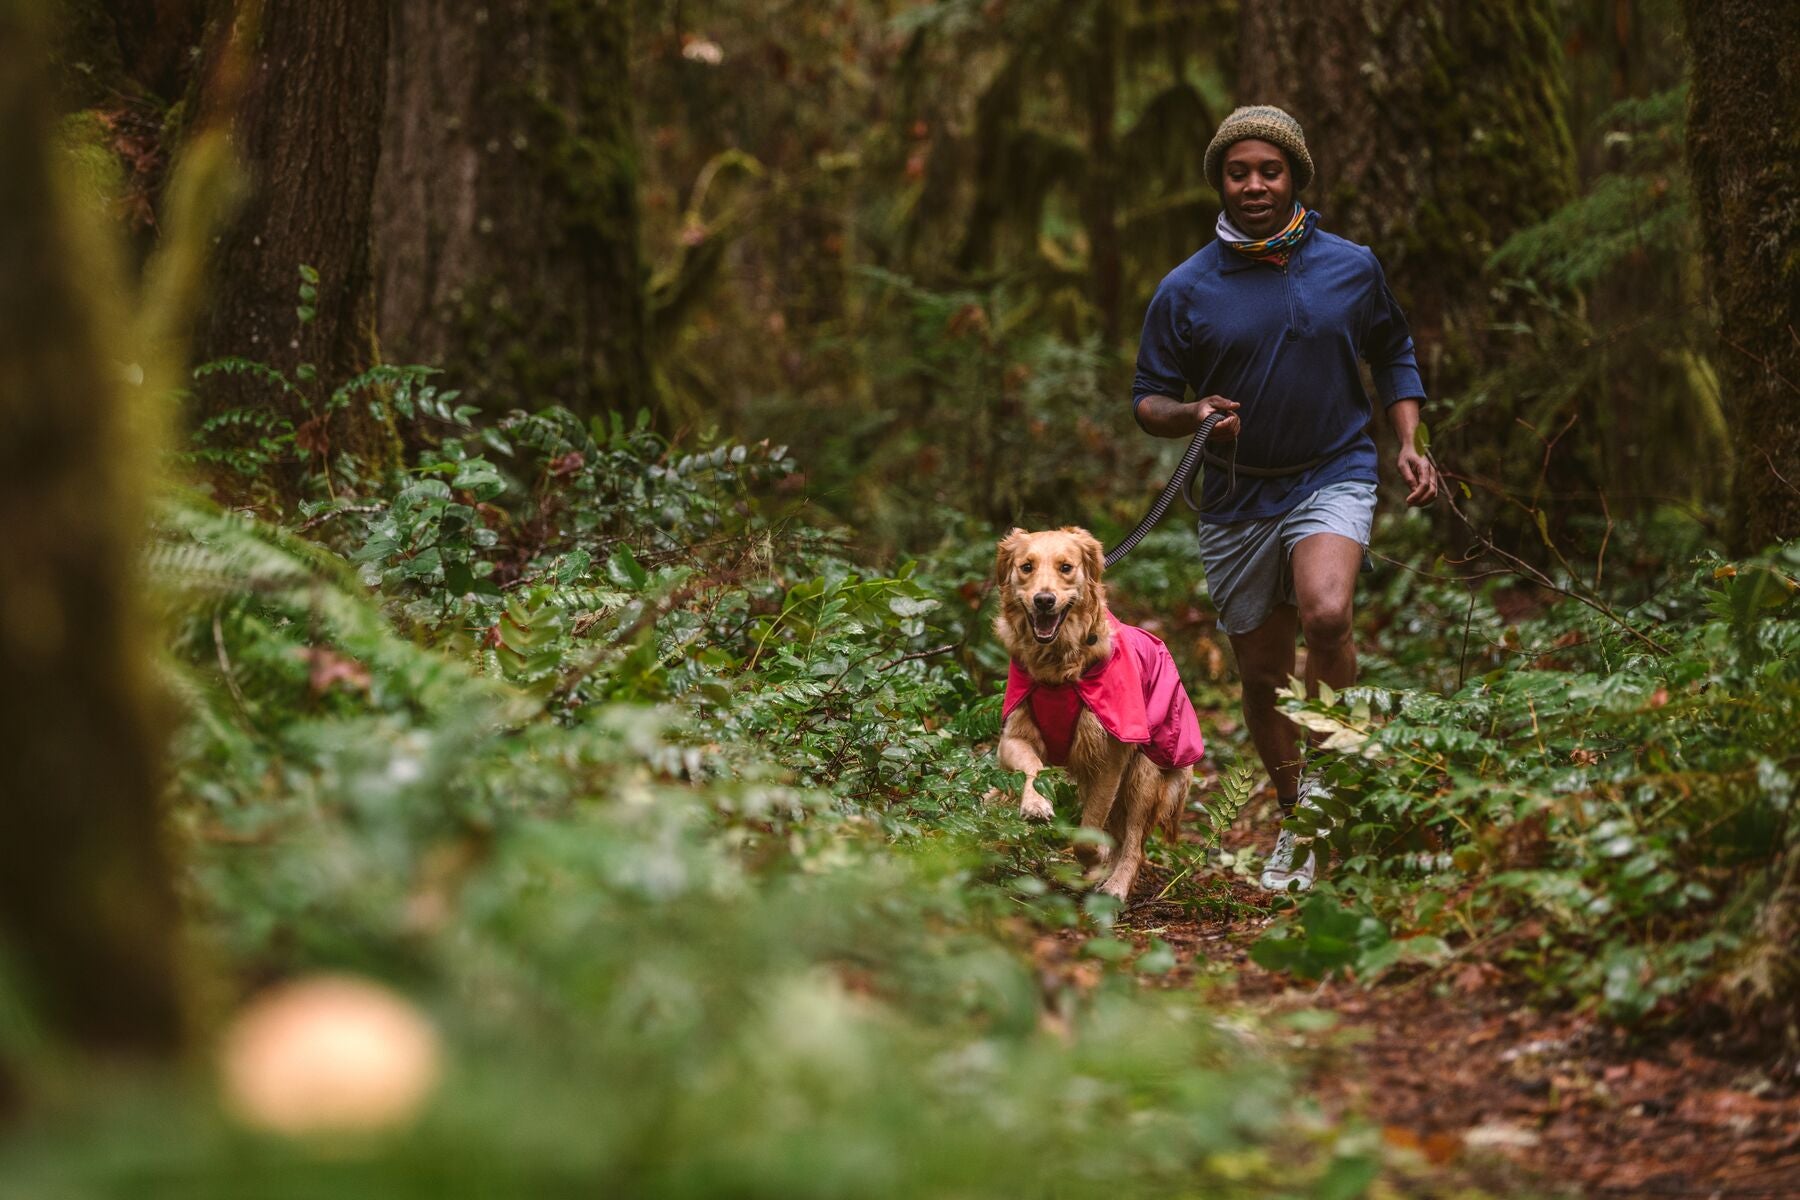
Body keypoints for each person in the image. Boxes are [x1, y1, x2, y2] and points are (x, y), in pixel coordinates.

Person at [1130, 105, 1438, 892]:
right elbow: (1149, 401)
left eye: (1270, 170)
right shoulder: (1186, 289)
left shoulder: (1350, 265)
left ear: (1295, 175)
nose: (1256, 184)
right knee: (1264, 676)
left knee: (1329, 613)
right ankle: (1299, 814)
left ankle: (1334, 788)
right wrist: (1194, 414)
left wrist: (1409, 440)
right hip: (1236, 502)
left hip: (1333, 469)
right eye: (1240, 172)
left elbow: (1393, 349)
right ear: (1221, 183)